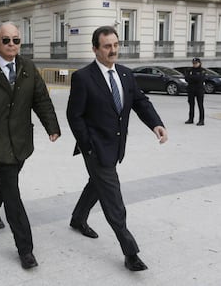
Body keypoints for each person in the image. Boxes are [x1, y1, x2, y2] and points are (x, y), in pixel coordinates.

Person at [66, 25, 168, 271]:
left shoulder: (125, 74)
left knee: (97, 184)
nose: (113, 50)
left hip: (116, 147)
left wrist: (156, 124)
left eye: (115, 45)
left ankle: (78, 219)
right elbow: (74, 115)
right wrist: (88, 145)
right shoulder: (83, 77)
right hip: (96, 148)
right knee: (114, 200)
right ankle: (130, 252)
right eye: (107, 46)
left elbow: (140, 102)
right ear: (95, 49)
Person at [0, 22, 61, 269]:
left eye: (16, 40)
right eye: (6, 40)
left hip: (21, 142)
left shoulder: (28, 67)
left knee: (8, 182)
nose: (11, 45)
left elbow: (41, 99)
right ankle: (25, 249)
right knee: (13, 195)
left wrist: (52, 127)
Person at [184, 57, 206, 126]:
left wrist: (192, 77)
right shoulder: (189, 70)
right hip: (191, 90)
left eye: (196, 63)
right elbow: (186, 78)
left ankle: (201, 120)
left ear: (199, 63)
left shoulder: (202, 70)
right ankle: (191, 119)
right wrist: (194, 77)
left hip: (199, 90)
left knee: (200, 105)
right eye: (193, 63)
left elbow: (200, 79)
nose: (194, 64)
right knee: (191, 105)